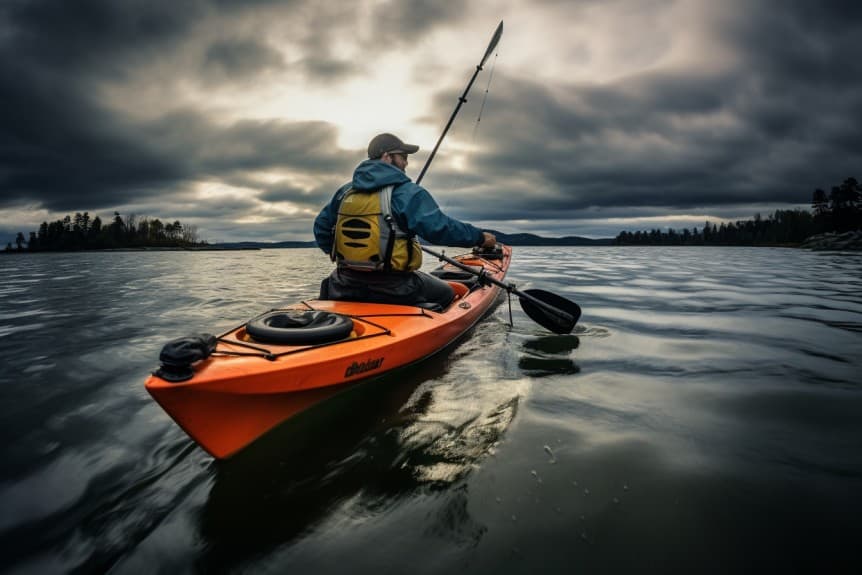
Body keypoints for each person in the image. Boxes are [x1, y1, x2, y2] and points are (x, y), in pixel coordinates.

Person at [314, 132, 496, 309]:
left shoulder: (345, 192)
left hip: (342, 283)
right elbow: (440, 229)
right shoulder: (407, 192)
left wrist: (350, 260)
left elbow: (321, 228)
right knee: (448, 294)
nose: (406, 162)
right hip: (395, 288)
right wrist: (480, 237)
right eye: (403, 157)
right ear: (386, 157)